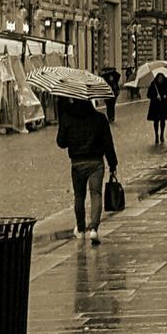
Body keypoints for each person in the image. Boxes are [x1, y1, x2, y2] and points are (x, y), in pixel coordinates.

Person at [56, 98, 118, 246]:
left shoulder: (67, 118)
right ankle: (94, 229)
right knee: (96, 194)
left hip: (77, 163)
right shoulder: (99, 118)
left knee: (79, 196)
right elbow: (107, 142)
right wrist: (113, 164)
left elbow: (61, 142)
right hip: (96, 162)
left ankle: (81, 229)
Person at [146, 71, 167, 144]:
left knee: (163, 121)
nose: (160, 79)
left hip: (163, 105)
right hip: (155, 106)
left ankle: (162, 134)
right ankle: (156, 135)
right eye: (159, 78)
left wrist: (165, 96)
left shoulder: (165, 84)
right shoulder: (153, 84)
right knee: (156, 121)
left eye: (161, 78)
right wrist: (155, 96)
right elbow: (148, 95)